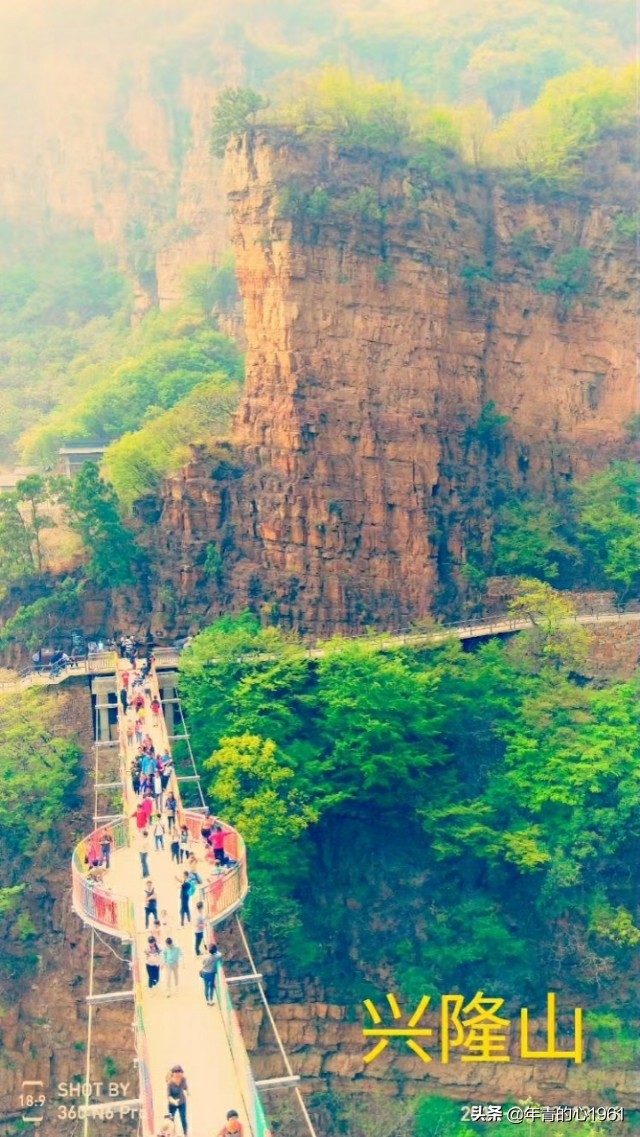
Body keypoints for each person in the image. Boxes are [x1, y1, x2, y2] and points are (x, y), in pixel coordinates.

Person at [166, 1066, 188, 1136]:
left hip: (181, 1102)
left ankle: (185, 1133)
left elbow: (185, 1087)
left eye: (180, 1076)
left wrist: (187, 1092)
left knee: (183, 1118)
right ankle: (172, 1134)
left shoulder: (183, 1079)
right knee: (171, 1120)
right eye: (177, 1076)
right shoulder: (170, 1084)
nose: (179, 1078)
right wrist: (174, 1102)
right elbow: (169, 1096)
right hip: (172, 1103)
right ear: (174, 1075)